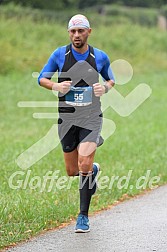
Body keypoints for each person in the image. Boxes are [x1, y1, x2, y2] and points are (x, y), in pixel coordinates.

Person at [38, 14, 115, 233]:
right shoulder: (59, 55)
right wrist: (56, 87)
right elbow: (41, 78)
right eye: (73, 31)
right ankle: (94, 171)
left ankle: (82, 217)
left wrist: (105, 87)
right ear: (69, 33)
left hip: (91, 117)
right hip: (67, 118)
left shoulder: (99, 57)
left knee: (83, 164)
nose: (76, 35)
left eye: (81, 30)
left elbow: (111, 79)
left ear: (89, 32)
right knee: (73, 171)